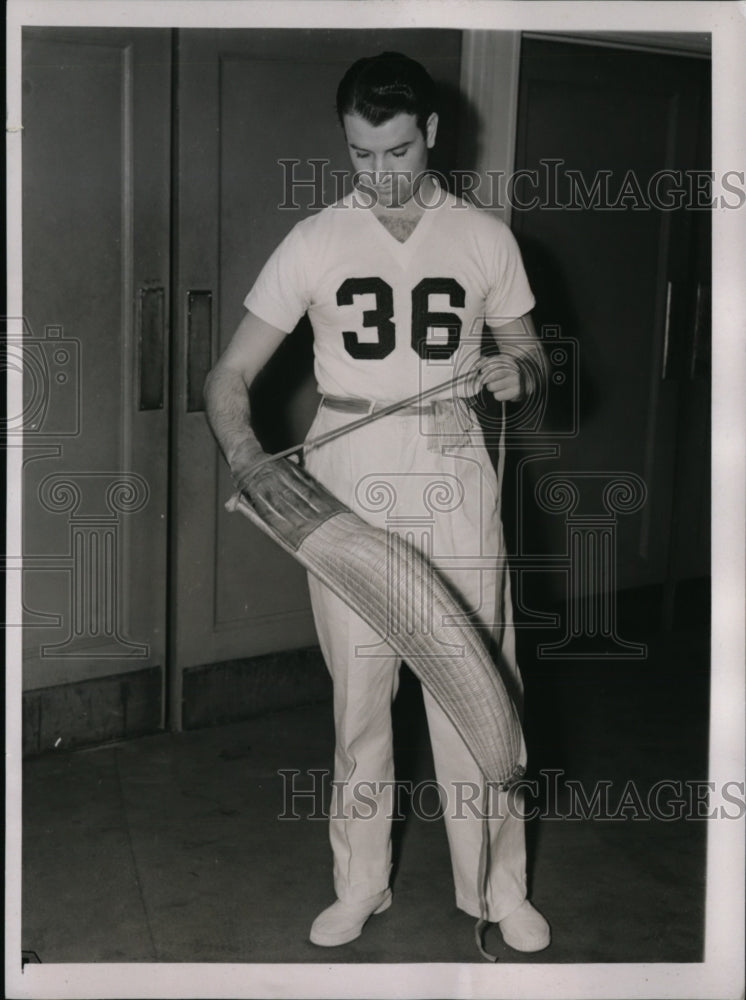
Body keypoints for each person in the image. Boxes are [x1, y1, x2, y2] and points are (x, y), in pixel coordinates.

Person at [205, 51, 550, 957]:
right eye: (361, 154)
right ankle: (360, 885)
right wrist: (248, 456)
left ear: (432, 134)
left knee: (480, 683)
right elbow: (229, 375)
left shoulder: (485, 237)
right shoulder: (316, 240)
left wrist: (519, 373)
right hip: (346, 469)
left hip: (452, 462)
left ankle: (497, 889)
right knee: (361, 698)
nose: (380, 173)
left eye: (396, 151)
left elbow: (534, 359)